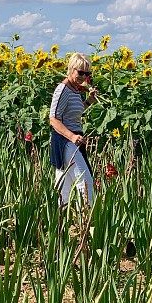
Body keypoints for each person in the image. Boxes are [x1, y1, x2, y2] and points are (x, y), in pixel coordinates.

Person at [49, 53, 98, 206]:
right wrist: (72, 137)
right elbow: (53, 118)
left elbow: (73, 114)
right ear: (71, 69)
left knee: (64, 187)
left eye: (87, 73)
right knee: (85, 182)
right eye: (80, 72)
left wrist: (89, 101)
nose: (83, 76)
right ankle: (89, 221)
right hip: (65, 141)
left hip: (73, 140)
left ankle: (63, 225)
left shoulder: (74, 90)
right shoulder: (63, 89)